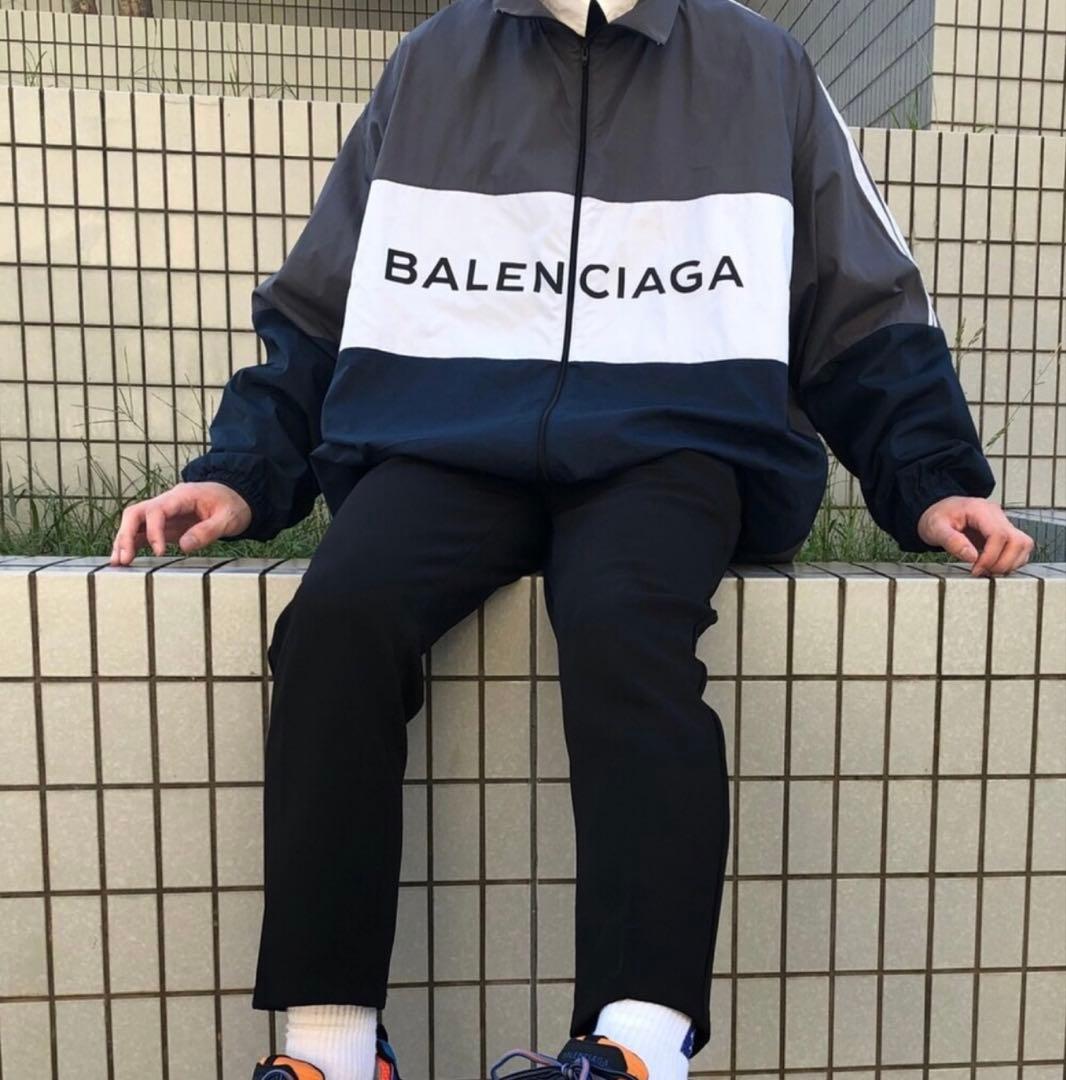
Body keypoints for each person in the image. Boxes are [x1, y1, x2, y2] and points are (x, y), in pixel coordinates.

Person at [109, 0, 1035, 1077]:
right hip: (447, 440)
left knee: (623, 625)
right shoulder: (435, 61)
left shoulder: (759, 65)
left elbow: (856, 297)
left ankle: (637, 1043)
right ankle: (332, 1046)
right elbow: (326, 300)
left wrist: (930, 480)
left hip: (673, 438)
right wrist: (239, 471)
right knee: (334, 622)